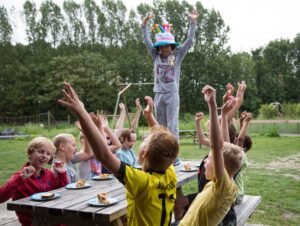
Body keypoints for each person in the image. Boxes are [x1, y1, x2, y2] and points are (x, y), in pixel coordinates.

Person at [58, 82, 179, 226]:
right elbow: (167, 142)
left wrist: (82, 113)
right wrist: (149, 116)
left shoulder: (141, 181)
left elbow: (103, 155)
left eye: (144, 141)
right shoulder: (169, 173)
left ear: (144, 154)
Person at [178, 85, 243, 226]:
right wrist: (224, 115)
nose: (206, 161)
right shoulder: (216, 184)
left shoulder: (224, 187)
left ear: (222, 167)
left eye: (210, 159)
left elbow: (217, 146)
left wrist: (212, 105)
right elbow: (222, 144)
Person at [141, 11, 198, 141]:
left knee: (172, 124)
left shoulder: (177, 56)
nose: (164, 49)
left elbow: (189, 41)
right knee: (161, 126)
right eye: (161, 47)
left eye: (167, 46)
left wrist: (192, 23)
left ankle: (174, 153)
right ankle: (163, 151)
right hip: (159, 94)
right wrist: (144, 25)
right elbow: (146, 41)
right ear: (158, 48)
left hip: (172, 94)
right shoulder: (155, 56)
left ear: (171, 46)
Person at [0, 137, 68, 226]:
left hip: (50, 217)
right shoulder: (20, 176)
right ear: (30, 154)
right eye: (41, 152)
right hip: (33, 221)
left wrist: (62, 174)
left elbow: (61, 194)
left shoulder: (48, 174)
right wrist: (20, 179)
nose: (44, 156)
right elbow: (1, 197)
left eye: (48, 154)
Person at [115, 98, 142, 167]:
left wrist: (139, 110)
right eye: (130, 140)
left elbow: (133, 128)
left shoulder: (130, 151)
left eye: (134, 141)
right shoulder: (120, 153)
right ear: (122, 139)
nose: (132, 143)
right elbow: (118, 129)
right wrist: (123, 112)